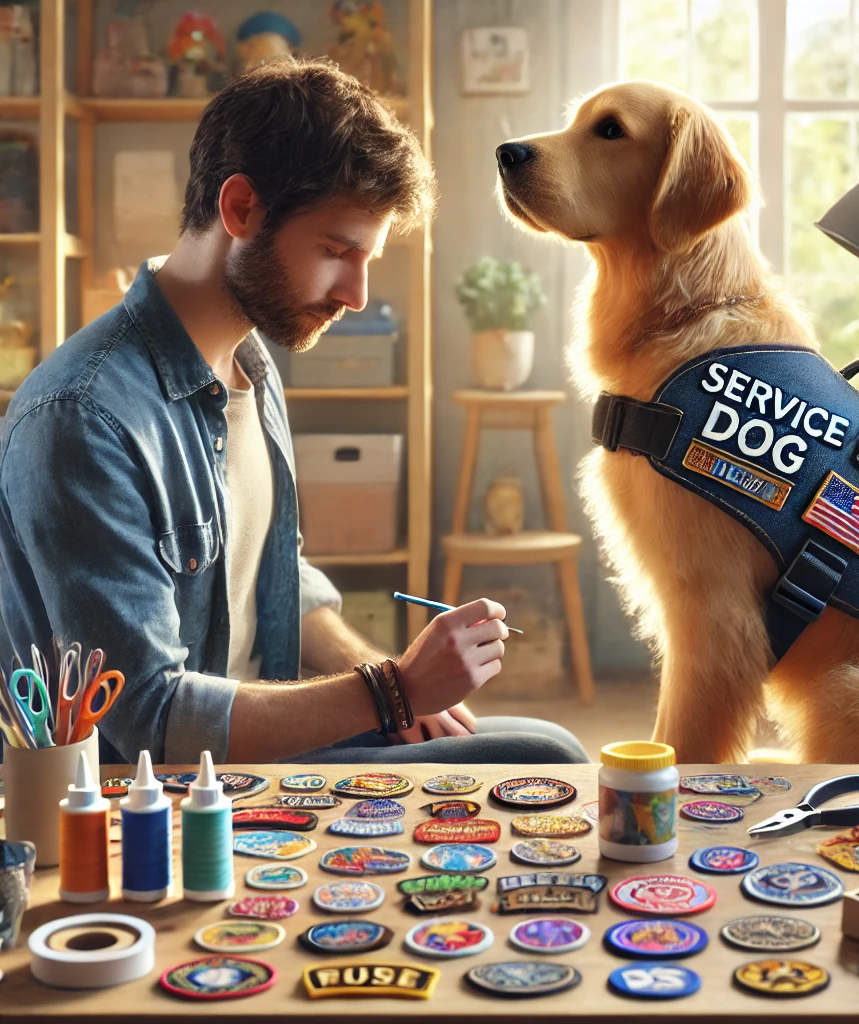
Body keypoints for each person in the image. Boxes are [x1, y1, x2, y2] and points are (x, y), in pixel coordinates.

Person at [0, 57, 588, 767]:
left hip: (260, 739)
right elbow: (147, 720)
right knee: (538, 762)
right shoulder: (82, 417)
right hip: (170, 791)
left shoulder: (250, 361)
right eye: (337, 252)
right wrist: (390, 691)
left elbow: (277, 577)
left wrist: (397, 685)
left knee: (545, 746)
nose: (357, 295)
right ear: (241, 209)